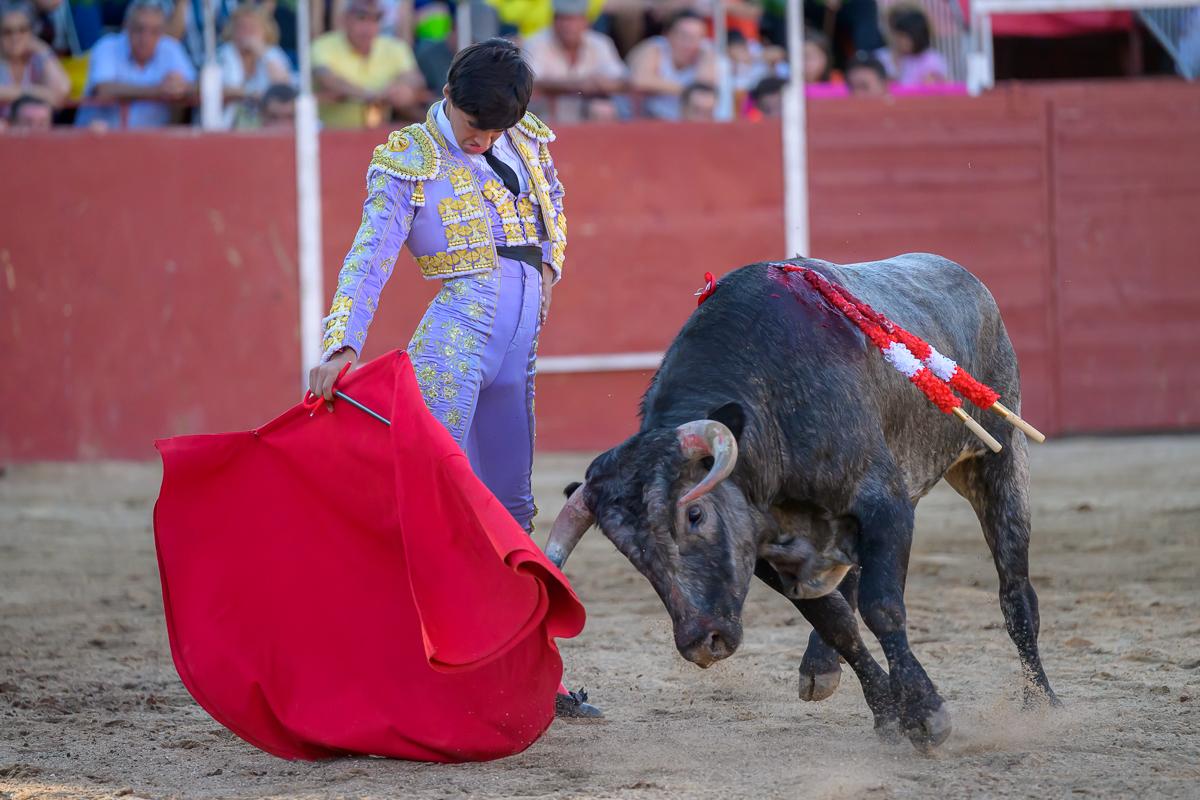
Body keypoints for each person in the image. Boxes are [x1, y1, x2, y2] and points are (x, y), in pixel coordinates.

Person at [307, 38, 599, 719]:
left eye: (496, 130)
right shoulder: (408, 159)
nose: (483, 141)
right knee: (439, 510)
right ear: (447, 98)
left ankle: (531, 676)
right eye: (475, 129)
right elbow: (368, 255)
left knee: (515, 515)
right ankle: (421, 670)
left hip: (517, 351)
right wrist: (342, 341)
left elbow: (551, 199)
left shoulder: (523, 135)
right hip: (455, 345)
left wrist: (549, 269)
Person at [74, 0, 196, 129]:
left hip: (154, 145)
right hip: (103, 143)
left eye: (154, 31)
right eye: (139, 29)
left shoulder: (170, 48)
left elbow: (193, 87)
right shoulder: (107, 45)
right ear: (126, 26)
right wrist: (159, 91)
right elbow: (103, 89)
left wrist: (181, 87)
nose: (145, 38)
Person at [311, 0, 425, 128]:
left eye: (375, 19)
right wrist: (370, 94)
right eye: (361, 18)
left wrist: (399, 88)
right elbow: (327, 79)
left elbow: (414, 78)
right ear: (345, 19)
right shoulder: (324, 45)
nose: (367, 27)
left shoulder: (395, 47)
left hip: (381, 134)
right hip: (331, 131)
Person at [525, 0, 627, 123]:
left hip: (588, 114)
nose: (569, 26)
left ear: (586, 22)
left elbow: (622, 78)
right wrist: (577, 84)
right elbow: (531, 82)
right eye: (564, 19)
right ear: (554, 21)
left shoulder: (600, 43)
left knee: (604, 108)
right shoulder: (536, 43)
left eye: (574, 20)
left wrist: (599, 83)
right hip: (545, 117)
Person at [626, 9, 714, 121]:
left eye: (696, 37)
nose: (689, 43)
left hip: (686, 124)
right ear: (667, 35)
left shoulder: (707, 52)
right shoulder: (654, 47)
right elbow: (639, 81)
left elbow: (703, 88)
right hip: (647, 121)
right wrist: (686, 90)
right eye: (684, 36)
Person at [217, 3, 294, 129]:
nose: (246, 33)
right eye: (241, 28)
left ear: (265, 31)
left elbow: (284, 85)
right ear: (232, 30)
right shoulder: (223, 55)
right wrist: (250, 93)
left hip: (268, 124)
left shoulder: (272, 53)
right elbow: (217, 89)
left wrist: (261, 52)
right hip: (228, 125)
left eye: (252, 28)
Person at [0, 0, 69, 117]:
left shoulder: (35, 60)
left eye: (22, 30)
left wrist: (42, 48)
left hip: (32, 131)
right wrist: (37, 92)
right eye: (7, 32)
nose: (15, 37)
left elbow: (62, 89)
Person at [882, 4, 948, 85]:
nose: (899, 41)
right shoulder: (883, 56)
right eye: (898, 35)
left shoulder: (931, 60)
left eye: (904, 36)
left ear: (917, 36)